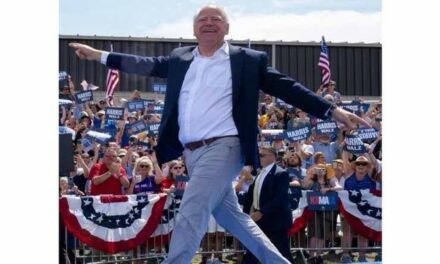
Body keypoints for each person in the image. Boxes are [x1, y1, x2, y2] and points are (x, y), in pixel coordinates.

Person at [69, 5, 369, 263]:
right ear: (194, 28)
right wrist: (99, 56)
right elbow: (143, 65)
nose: (209, 23)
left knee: (192, 208)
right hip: (191, 153)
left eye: (216, 19)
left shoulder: (247, 60)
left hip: (226, 146)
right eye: (203, 19)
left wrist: (333, 111)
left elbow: (288, 87)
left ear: (226, 27)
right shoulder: (180, 59)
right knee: (234, 219)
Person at [242, 146, 294, 263]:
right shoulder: (260, 173)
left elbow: (280, 198)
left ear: (273, 156)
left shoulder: (281, 174)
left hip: (276, 222)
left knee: (282, 254)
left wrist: (261, 212)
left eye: (262, 155)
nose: (259, 158)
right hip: (260, 220)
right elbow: (251, 196)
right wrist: (245, 214)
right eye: (258, 155)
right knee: (253, 252)